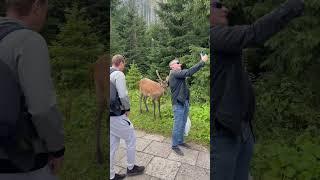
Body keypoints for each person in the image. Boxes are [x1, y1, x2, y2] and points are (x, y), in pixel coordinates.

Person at [210, 0, 304, 179]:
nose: (225, 9)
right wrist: (293, 5)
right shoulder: (213, 36)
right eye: (217, 5)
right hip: (223, 135)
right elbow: (254, 33)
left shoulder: (221, 40)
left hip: (240, 128)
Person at [0, 0, 65, 179]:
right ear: (36, 6)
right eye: (46, 9)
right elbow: (42, 109)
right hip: (21, 162)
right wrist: (57, 149)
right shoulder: (29, 40)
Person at [110, 55, 145, 180]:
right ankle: (131, 168)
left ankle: (111, 175)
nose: (124, 66)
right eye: (124, 64)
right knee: (131, 138)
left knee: (112, 145)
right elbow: (123, 95)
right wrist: (127, 108)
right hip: (116, 114)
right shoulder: (118, 74)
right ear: (120, 62)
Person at [168, 54, 208, 156]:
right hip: (178, 104)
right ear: (172, 67)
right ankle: (174, 145)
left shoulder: (179, 74)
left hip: (184, 102)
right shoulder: (174, 73)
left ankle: (180, 141)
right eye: (177, 63)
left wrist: (187, 100)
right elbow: (189, 72)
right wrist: (202, 62)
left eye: (179, 63)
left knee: (183, 122)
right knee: (178, 124)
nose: (180, 64)